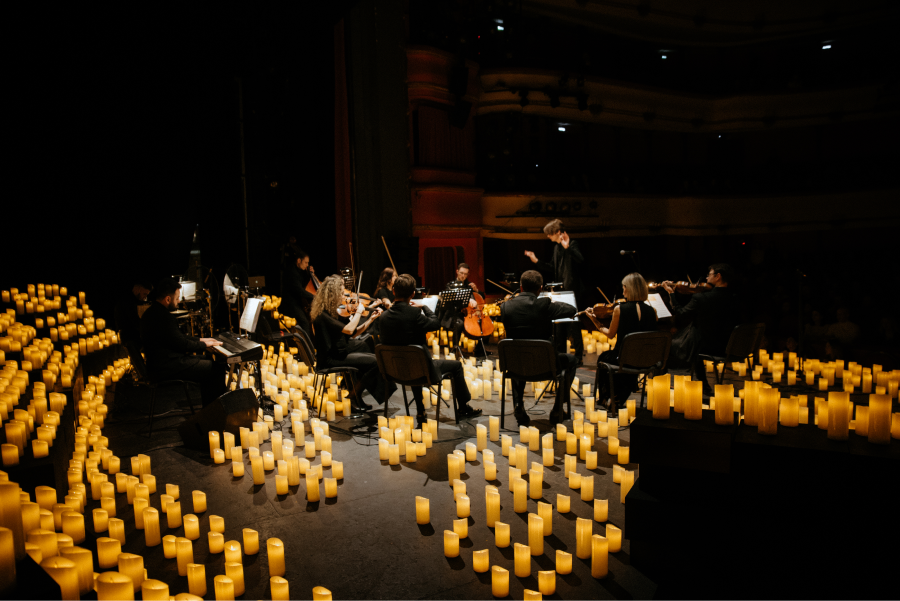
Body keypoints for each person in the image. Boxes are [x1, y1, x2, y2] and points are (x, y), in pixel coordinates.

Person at [378, 274, 483, 427]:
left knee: (411, 361)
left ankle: (421, 411)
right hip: (421, 370)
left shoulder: (383, 317)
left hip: (394, 371)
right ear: (413, 294)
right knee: (456, 366)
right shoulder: (414, 314)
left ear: (393, 292)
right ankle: (463, 408)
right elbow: (435, 324)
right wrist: (425, 307)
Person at [500, 269, 578, 426]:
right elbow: (571, 310)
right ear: (540, 288)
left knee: (518, 353)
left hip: (516, 365)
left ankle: (518, 405)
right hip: (545, 365)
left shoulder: (506, 307)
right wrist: (550, 301)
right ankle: (557, 409)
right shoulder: (544, 305)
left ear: (521, 287)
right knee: (571, 360)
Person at [310, 275, 393, 411]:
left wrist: (370, 319)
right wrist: (359, 312)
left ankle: (356, 397)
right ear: (333, 294)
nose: (344, 297)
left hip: (339, 353)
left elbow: (354, 332)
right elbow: (349, 330)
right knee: (375, 362)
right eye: (341, 293)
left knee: (373, 359)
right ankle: (353, 396)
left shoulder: (331, 312)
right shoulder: (322, 315)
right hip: (331, 359)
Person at [140, 277, 227, 406]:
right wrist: (204, 344)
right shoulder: (164, 317)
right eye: (177, 298)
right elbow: (182, 344)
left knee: (210, 360)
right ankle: (215, 412)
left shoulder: (151, 313)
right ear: (168, 299)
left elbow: (178, 337)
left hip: (160, 364)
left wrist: (201, 339)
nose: (179, 301)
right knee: (216, 368)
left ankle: (209, 409)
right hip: (166, 367)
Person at [662, 264, 738, 396]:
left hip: (707, 347)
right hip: (729, 346)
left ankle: (660, 381)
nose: (707, 276)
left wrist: (671, 294)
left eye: (710, 274)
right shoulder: (734, 298)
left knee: (665, 343)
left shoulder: (702, 298)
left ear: (718, 276)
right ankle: (704, 384)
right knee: (695, 340)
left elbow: (681, 314)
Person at [585, 273, 657, 408]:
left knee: (604, 357)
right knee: (623, 358)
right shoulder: (652, 311)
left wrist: (594, 320)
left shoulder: (620, 309)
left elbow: (610, 334)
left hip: (624, 358)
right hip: (645, 359)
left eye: (624, 287)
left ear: (630, 289)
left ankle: (607, 397)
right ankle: (619, 396)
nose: (623, 290)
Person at [524, 219, 585, 363]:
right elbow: (552, 267)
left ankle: (578, 357)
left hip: (572, 291)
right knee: (559, 324)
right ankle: (560, 354)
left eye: (549, 234)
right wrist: (536, 261)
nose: (547, 236)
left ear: (558, 232)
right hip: (560, 290)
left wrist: (568, 247)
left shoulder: (573, 244)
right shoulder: (556, 248)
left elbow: (581, 260)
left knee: (574, 323)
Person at [438, 263, 481, 357]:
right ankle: (455, 347)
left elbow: (481, 298)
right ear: (457, 272)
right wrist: (469, 299)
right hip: (452, 314)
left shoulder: (469, 285)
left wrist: (476, 291)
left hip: (467, 314)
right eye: (461, 273)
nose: (463, 276)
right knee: (459, 323)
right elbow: (451, 297)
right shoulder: (450, 285)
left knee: (481, 322)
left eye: (465, 274)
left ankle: (480, 348)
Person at [115, 281, 152, 380]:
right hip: (129, 336)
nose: (145, 297)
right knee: (137, 359)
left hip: (132, 334)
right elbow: (134, 320)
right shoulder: (127, 301)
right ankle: (143, 376)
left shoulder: (132, 300)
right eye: (144, 294)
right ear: (138, 289)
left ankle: (145, 374)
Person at [280, 248, 316, 337]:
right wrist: (314, 296)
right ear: (299, 260)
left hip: (298, 302)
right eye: (306, 263)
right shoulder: (291, 272)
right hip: (291, 303)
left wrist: (311, 273)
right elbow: (299, 291)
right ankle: (306, 348)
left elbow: (305, 285)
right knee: (305, 323)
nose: (307, 265)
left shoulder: (301, 271)